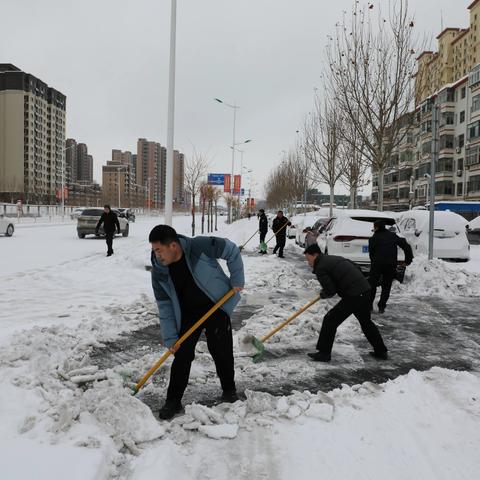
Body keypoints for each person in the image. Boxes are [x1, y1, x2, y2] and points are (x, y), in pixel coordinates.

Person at [149, 225, 245, 420]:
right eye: (154, 250)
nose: (156, 255)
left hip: (215, 305)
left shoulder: (200, 246)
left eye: (159, 250)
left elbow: (232, 250)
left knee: (222, 351)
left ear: (173, 246)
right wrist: (170, 337)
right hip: (187, 314)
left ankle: (229, 391)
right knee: (182, 355)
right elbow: (165, 306)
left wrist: (237, 278)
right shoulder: (159, 272)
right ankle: (173, 401)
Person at [304, 244, 388, 362]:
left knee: (330, 320)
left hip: (354, 295)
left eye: (308, 259)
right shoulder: (332, 258)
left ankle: (324, 353)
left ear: (315, 255)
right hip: (365, 290)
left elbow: (330, 290)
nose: (308, 262)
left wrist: (323, 294)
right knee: (366, 322)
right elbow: (355, 267)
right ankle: (381, 351)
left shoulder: (321, 267)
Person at [368, 219, 413, 314]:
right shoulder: (393, 236)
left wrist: (374, 262)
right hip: (390, 264)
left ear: (376, 227)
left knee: (372, 285)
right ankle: (381, 307)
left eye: (374, 227)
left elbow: (371, 254)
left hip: (377, 264)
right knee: (386, 286)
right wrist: (408, 260)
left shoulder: (373, 238)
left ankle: (369, 306)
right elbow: (406, 246)